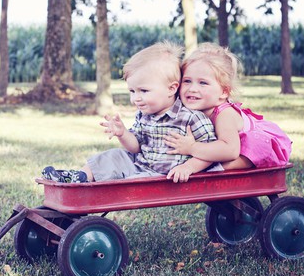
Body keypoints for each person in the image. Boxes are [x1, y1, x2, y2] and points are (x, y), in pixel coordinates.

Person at [42, 41, 219, 184]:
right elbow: (136, 147)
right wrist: (123, 134)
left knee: (129, 184)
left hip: (162, 177)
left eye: (143, 91)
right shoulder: (144, 114)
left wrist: (189, 167)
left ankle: (96, 188)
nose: (136, 99)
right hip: (139, 165)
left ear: (171, 88)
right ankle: (79, 177)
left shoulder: (191, 118)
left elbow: (211, 153)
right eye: (132, 91)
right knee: (114, 155)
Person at [164, 42, 291, 170]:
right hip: (228, 146)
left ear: (224, 92)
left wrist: (192, 147)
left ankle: (214, 169)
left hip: (257, 147)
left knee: (220, 162)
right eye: (187, 81)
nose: (192, 88)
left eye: (203, 83)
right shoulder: (190, 108)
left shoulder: (225, 115)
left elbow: (230, 150)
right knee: (207, 157)